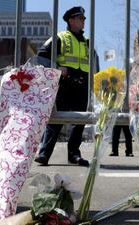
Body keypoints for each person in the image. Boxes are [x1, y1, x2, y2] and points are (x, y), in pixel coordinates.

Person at [34, 6, 91, 166]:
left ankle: (74, 155)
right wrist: (57, 69)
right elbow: (41, 56)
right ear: (71, 20)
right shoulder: (59, 37)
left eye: (84, 18)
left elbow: (94, 63)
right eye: (81, 18)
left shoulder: (87, 42)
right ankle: (44, 154)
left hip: (82, 86)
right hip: (64, 85)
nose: (84, 21)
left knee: (79, 121)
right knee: (56, 119)